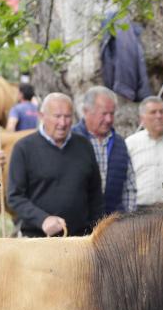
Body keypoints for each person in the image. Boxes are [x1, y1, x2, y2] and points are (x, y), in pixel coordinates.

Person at [8, 93, 103, 237]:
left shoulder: (84, 146)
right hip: (38, 240)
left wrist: (96, 230)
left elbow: (95, 194)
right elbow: (15, 197)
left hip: (80, 241)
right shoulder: (24, 148)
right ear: (41, 116)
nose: (63, 123)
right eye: (57, 116)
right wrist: (42, 219)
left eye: (67, 116)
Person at [72, 86, 136, 214]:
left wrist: (128, 218)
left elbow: (129, 186)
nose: (109, 119)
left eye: (111, 113)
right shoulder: (72, 140)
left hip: (113, 223)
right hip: (79, 224)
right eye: (104, 114)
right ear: (86, 112)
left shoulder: (119, 143)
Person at [126, 96, 163, 206]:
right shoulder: (130, 143)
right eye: (153, 112)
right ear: (142, 118)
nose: (158, 116)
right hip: (140, 210)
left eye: (162, 112)